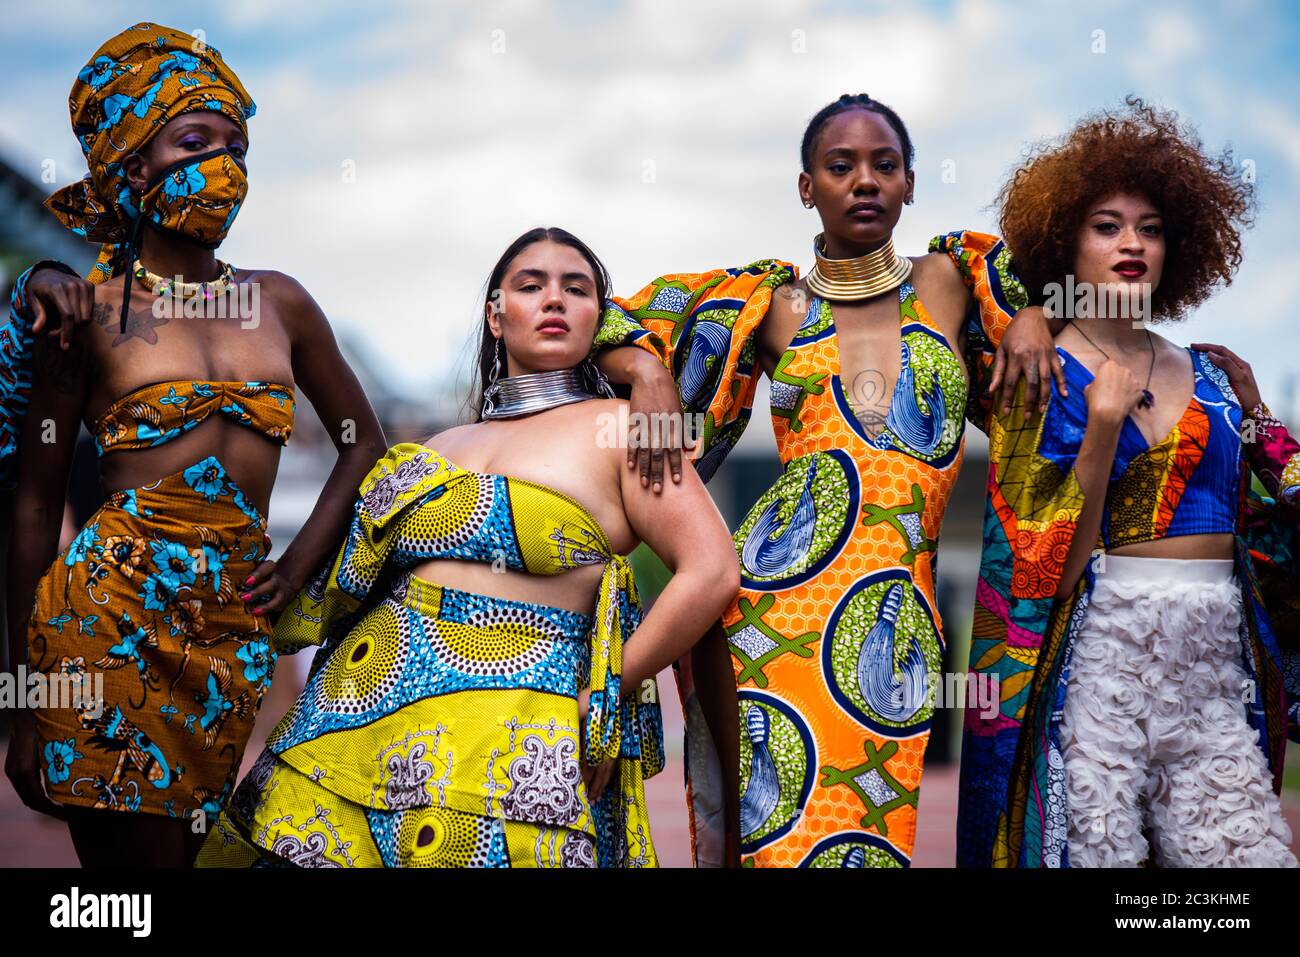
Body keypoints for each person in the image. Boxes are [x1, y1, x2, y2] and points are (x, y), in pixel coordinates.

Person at [592, 93, 1062, 867]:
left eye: (884, 165)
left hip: (895, 616)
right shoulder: (769, 303)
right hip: (769, 612)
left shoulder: (957, 277)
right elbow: (601, 316)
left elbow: (1087, 282)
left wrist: (1036, 314)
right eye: (840, 167)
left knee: (871, 840)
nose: (865, 181)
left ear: (911, 182)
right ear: (807, 187)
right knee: (774, 844)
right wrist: (646, 367)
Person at [195, 227, 739, 868]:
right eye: (531, 286)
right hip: (351, 722)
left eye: (577, 289)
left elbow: (710, 571)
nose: (554, 301)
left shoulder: (625, 430)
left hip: (519, 732)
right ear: (495, 315)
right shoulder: (438, 447)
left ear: (602, 316)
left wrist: (608, 686)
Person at [3, 22, 385, 867]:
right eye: (195, 141)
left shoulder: (280, 303)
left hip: (226, 636)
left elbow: (364, 443)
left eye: (237, 145)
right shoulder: (88, 315)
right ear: (135, 169)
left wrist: (294, 569)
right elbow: (32, 506)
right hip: (103, 629)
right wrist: (22, 701)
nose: (225, 162)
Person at [959, 98, 1299, 867]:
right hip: (1102, 661)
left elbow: (1283, 509)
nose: (1131, 243)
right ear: (1066, 244)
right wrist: (1103, 426)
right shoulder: (1039, 371)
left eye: (1150, 227)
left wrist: (1256, 411)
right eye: (1106, 225)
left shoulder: (1215, 372)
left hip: (1216, 667)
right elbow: (1047, 570)